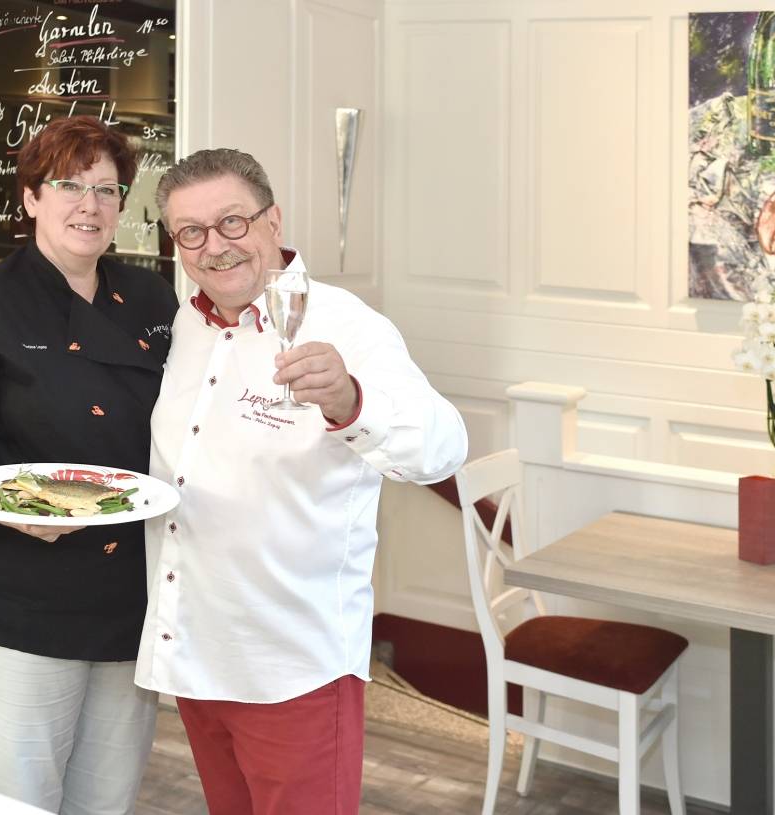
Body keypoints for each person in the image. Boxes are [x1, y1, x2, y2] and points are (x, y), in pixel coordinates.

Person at [134, 148, 468, 814]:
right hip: (195, 650)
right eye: (190, 232)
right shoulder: (183, 325)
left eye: (232, 222)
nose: (214, 247)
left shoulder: (347, 324)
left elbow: (442, 448)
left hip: (292, 666)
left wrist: (350, 399)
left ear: (273, 220)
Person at [0, 116, 177, 815]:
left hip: (124, 590)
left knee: (104, 797)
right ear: (29, 199)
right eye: (69, 185)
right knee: (14, 798)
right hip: (10, 593)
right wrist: (14, 511)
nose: (90, 205)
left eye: (108, 190)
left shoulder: (151, 298)